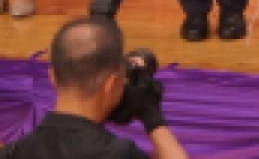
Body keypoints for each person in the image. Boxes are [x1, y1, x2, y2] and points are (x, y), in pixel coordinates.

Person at [1, 16, 184, 159]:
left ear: (52, 77)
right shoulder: (118, 153)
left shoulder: (16, 152)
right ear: (110, 84)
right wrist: (152, 117)